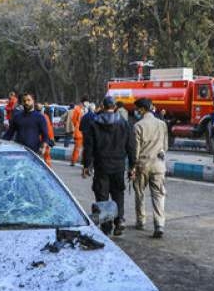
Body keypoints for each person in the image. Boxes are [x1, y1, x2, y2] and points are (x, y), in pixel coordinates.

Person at [82, 96, 135, 236]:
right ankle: (119, 221)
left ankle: (106, 227)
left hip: (101, 166)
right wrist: (132, 166)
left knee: (102, 195)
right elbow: (131, 146)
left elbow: (89, 147)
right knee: (118, 194)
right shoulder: (124, 123)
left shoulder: (94, 123)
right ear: (115, 107)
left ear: (103, 106)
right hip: (118, 165)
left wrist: (87, 165)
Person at [132, 97, 168, 238]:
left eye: (137, 109)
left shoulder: (138, 126)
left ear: (142, 109)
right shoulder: (162, 124)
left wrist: (132, 167)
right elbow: (165, 146)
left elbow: (135, 150)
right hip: (159, 165)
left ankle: (141, 220)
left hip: (142, 165)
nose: (136, 112)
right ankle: (159, 224)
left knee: (140, 193)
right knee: (158, 195)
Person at [70, 97, 87, 166]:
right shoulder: (77, 109)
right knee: (77, 148)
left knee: (84, 148)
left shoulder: (84, 109)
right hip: (79, 132)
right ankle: (74, 161)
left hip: (84, 131)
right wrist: (77, 126)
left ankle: (82, 161)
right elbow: (74, 120)